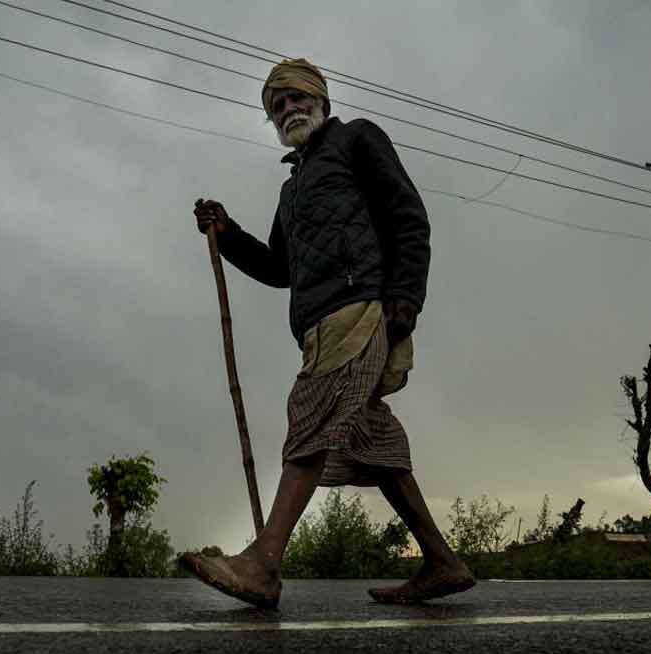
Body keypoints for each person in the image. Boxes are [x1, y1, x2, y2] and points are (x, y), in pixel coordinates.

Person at [180, 58, 474, 608]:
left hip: (361, 309)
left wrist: (405, 299)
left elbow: (409, 217)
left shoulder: (357, 140)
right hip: (315, 323)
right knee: (373, 441)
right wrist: (228, 233)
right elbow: (279, 269)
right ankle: (441, 561)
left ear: (320, 100)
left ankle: (263, 564)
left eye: (296, 98)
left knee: (309, 415)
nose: (287, 109)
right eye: (276, 105)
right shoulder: (291, 192)